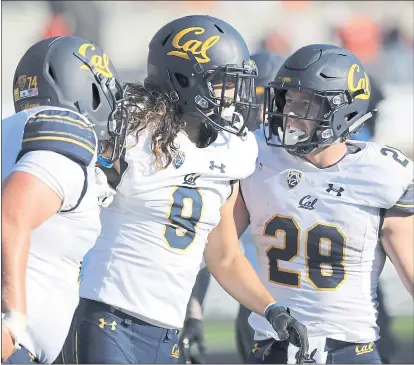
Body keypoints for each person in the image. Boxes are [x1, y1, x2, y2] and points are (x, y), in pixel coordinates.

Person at [72, 15, 308, 364]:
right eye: (224, 82)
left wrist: (271, 309)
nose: (234, 96)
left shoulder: (230, 151)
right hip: (107, 317)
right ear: (183, 79)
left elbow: (224, 255)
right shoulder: (131, 137)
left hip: (167, 331)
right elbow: (69, 217)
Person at [236, 44, 413, 364]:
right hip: (273, 344)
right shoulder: (255, 155)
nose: (290, 113)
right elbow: (218, 249)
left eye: (305, 104)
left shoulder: (382, 173)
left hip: (348, 348)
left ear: (343, 111)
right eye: (288, 100)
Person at [1, 35, 127, 364]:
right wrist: (13, 320)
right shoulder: (65, 132)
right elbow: (10, 216)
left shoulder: (11, 132)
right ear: (90, 92)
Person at [178, 51, 285, 364]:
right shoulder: (230, 152)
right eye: (259, 98)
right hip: (257, 302)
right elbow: (208, 245)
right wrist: (193, 311)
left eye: (274, 99)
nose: (265, 111)